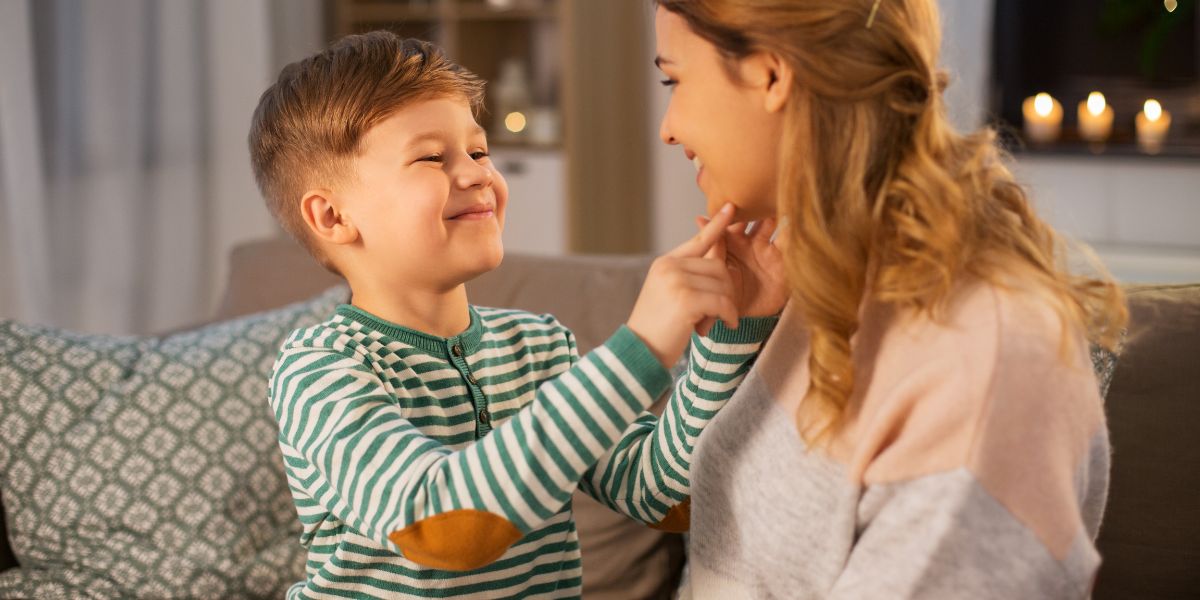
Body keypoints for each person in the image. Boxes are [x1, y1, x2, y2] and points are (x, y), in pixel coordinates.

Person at [248, 31, 784, 599]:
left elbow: (667, 495)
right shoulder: (320, 371)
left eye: (479, 151)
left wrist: (731, 329)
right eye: (432, 157)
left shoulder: (538, 346)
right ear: (332, 217)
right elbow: (442, 527)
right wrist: (642, 348)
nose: (479, 173)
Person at [652, 0, 1127, 597]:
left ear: (771, 74)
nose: (666, 127)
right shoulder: (820, 277)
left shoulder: (983, 362)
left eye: (675, 79)